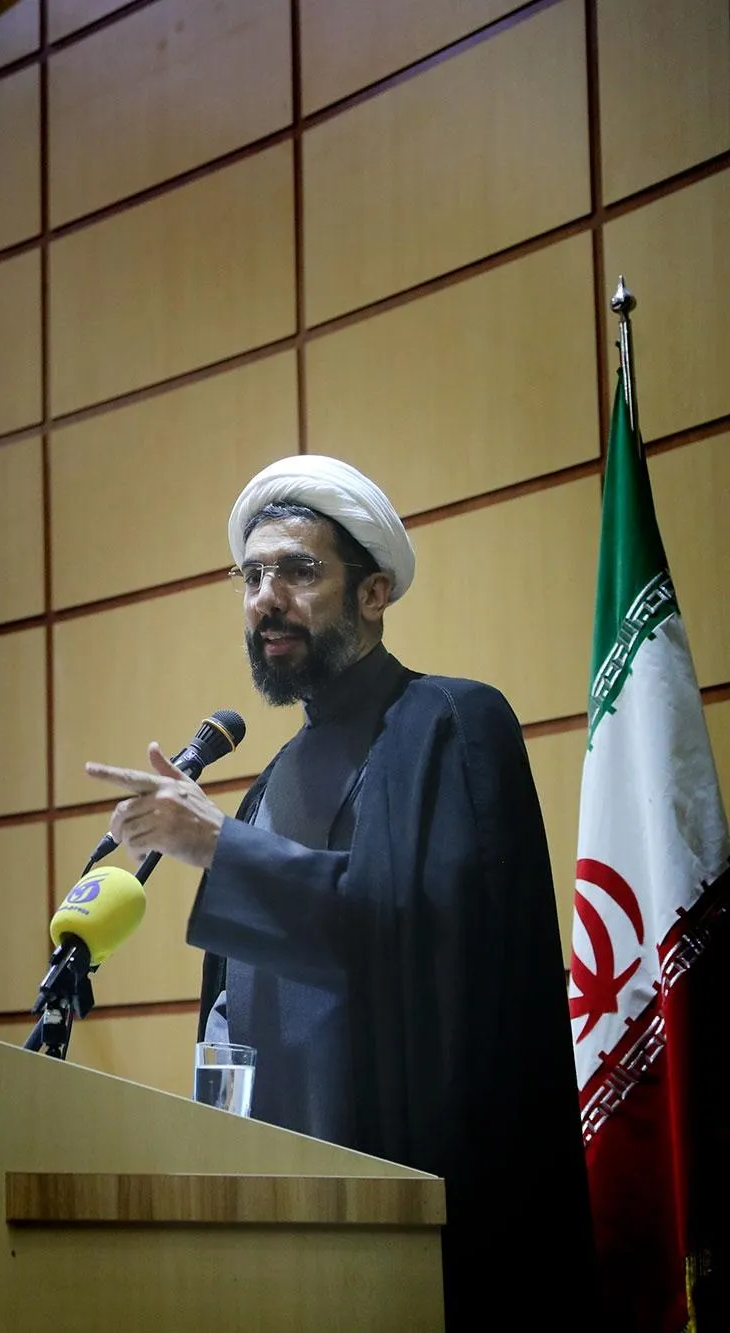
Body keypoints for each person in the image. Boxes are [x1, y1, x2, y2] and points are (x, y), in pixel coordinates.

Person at [83, 456, 593, 1328]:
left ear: (374, 592)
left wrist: (219, 846)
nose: (266, 598)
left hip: (426, 1232)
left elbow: (428, 946)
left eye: (298, 570)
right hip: (279, 1240)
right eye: (252, 577)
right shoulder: (267, 785)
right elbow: (231, 1026)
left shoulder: (452, 723)